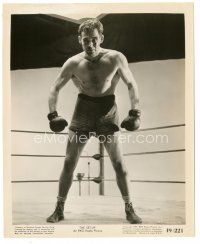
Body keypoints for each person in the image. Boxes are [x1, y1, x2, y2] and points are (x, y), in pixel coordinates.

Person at [47, 19, 142, 224]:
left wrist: (135, 112)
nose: (90, 45)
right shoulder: (73, 63)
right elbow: (54, 88)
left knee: (118, 163)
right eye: (85, 41)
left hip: (107, 110)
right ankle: (59, 208)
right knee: (69, 162)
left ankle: (129, 208)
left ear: (101, 38)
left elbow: (131, 84)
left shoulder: (116, 58)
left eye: (94, 40)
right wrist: (52, 114)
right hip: (83, 110)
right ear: (79, 40)